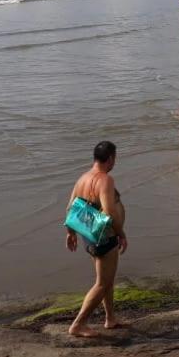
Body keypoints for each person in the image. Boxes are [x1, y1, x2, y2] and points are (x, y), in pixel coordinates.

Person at [65, 141, 128, 337]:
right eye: (114, 158)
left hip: (88, 233)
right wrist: (121, 233)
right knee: (102, 283)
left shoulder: (83, 178)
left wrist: (70, 233)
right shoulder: (105, 180)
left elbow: (70, 208)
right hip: (104, 236)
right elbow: (109, 213)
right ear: (110, 158)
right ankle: (78, 324)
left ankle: (110, 318)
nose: (115, 161)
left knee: (106, 279)